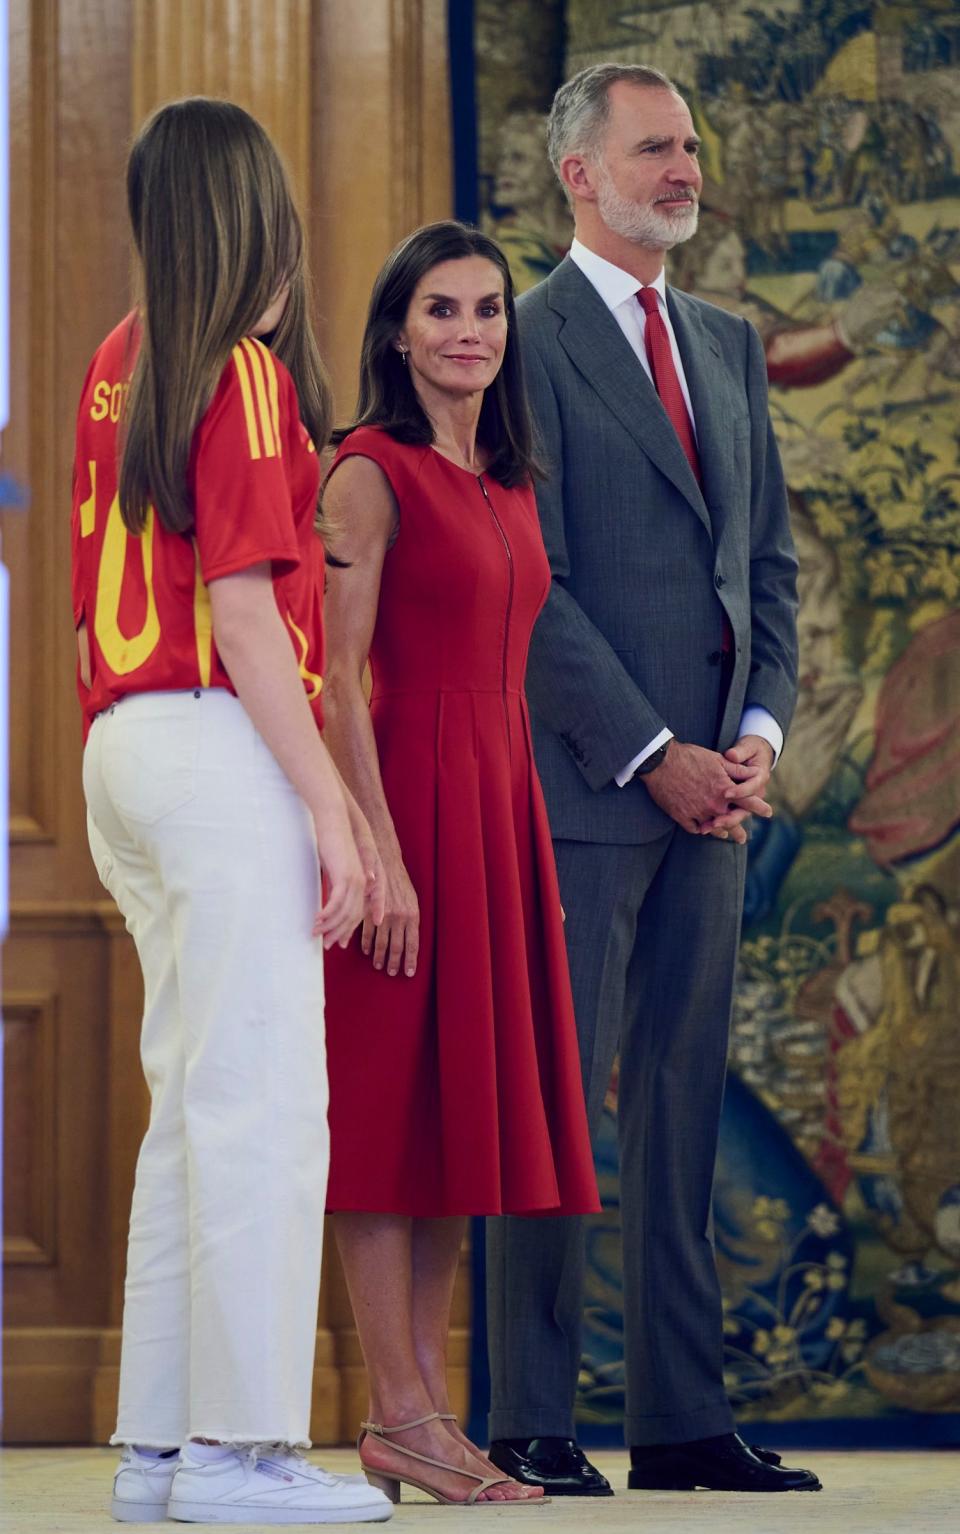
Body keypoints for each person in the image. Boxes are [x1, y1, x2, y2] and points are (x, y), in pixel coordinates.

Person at [484, 63, 821, 1495]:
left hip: (718, 805)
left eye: (691, 146)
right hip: (587, 792)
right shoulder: (525, 340)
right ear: (580, 172)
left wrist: (755, 736)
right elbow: (531, 585)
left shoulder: (732, 348)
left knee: (684, 1100)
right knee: (554, 1107)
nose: (685, 168)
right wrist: (649, 752)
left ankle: (684, 1422)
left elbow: (769, 572)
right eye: (655, 148)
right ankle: (528, 1421)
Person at [71, 97, 392, 1525]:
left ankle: (159, 1451)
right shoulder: (247, 373)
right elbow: (249, 618)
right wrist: (333, 808)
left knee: (193, 1112)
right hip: (214, 741)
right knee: (262, 1103)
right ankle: (241, 1452)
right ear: (264, 212)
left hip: (124, 749)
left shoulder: (118, 361)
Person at [319, 220, 599, 1506]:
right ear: (396, 331)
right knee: (387, 1114)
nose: (470, 331)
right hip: (407, 810)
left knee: (452, 1123)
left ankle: (424, 1414)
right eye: (441, 309)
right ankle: (395, 1409)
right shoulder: (367, 470)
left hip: (500, 812)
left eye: (488, 308)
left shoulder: (510, 478)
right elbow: (334, 676)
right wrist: (375, 849)